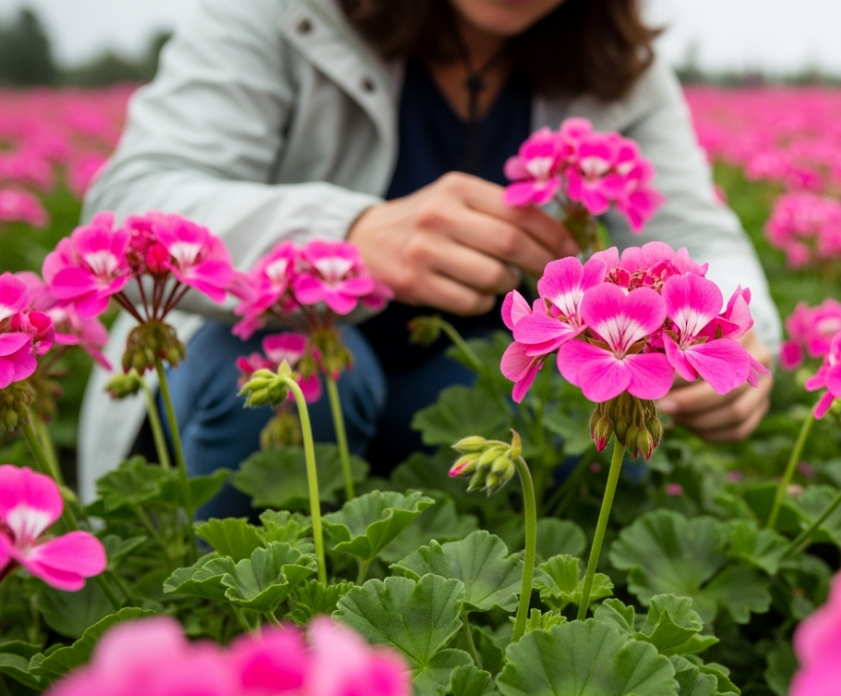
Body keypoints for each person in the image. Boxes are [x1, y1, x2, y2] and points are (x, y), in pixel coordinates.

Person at [77, 0, 780, 514]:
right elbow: (132, 198)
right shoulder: (282, 13)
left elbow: (703, 237)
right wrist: (349, 233)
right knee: (296, 382)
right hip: (274, 371)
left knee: (580, 431)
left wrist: (740, 350)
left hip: (461, 387)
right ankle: (239, 639)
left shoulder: (620, 64)